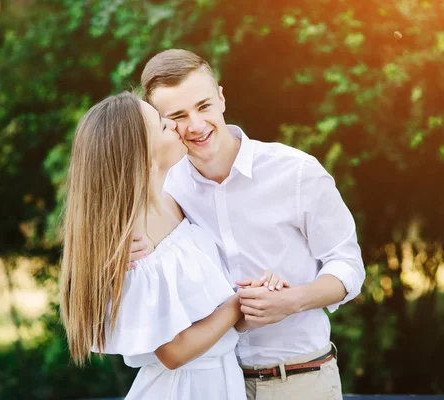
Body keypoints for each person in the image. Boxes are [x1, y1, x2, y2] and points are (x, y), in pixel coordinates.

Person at [131, 49, 367, 399]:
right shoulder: (166, 191)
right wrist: (136, 249)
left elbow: (348, 266)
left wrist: (294, 300)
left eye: (204, 106)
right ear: (160, 125)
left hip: (300, 380)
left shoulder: (297, 172)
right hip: (214, 385)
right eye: (177, 116)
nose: (196, 125)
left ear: (222, 98)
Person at [59, 92, 286, 399]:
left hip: (221, 380)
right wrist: (238, 303)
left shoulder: (172, 204)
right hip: (183, 389)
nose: (174, 125)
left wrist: (256, 295)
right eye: (162, 126)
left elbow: (208, 313)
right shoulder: (136, 245)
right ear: (140, 153)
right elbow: (174, 352)